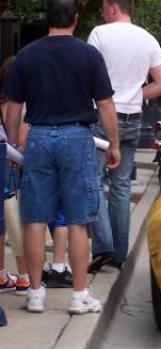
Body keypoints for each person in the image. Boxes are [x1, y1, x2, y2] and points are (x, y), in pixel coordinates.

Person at [4, 0, 121, 314]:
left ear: (46, 20)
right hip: (76, 137)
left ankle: (35, 292)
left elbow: (14, 106)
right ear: (75, 19)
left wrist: (14, 142)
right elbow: (106, 104)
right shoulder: (88, 54)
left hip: (39, 136)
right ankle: (79, 294)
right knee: (78, 218)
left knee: (35, 218)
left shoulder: (27, 56)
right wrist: (114, 143)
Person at [88, 0, 161, 272]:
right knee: (122, 185)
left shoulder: (100, 34)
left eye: (103, 6)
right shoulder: (147, 39)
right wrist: (137, 95)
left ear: (113, 7)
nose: (101, 11)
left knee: (93, 181)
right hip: (132, 118)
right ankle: (119, 254)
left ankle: (104, 245)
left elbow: (87, 76)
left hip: (102, 115)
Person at [0, 56, 30, 294]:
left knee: (1, 223)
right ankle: (23, 276)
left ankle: (1, 273)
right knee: (17, 220)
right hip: (12, 166)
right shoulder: (21, 105)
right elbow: (21, 141)